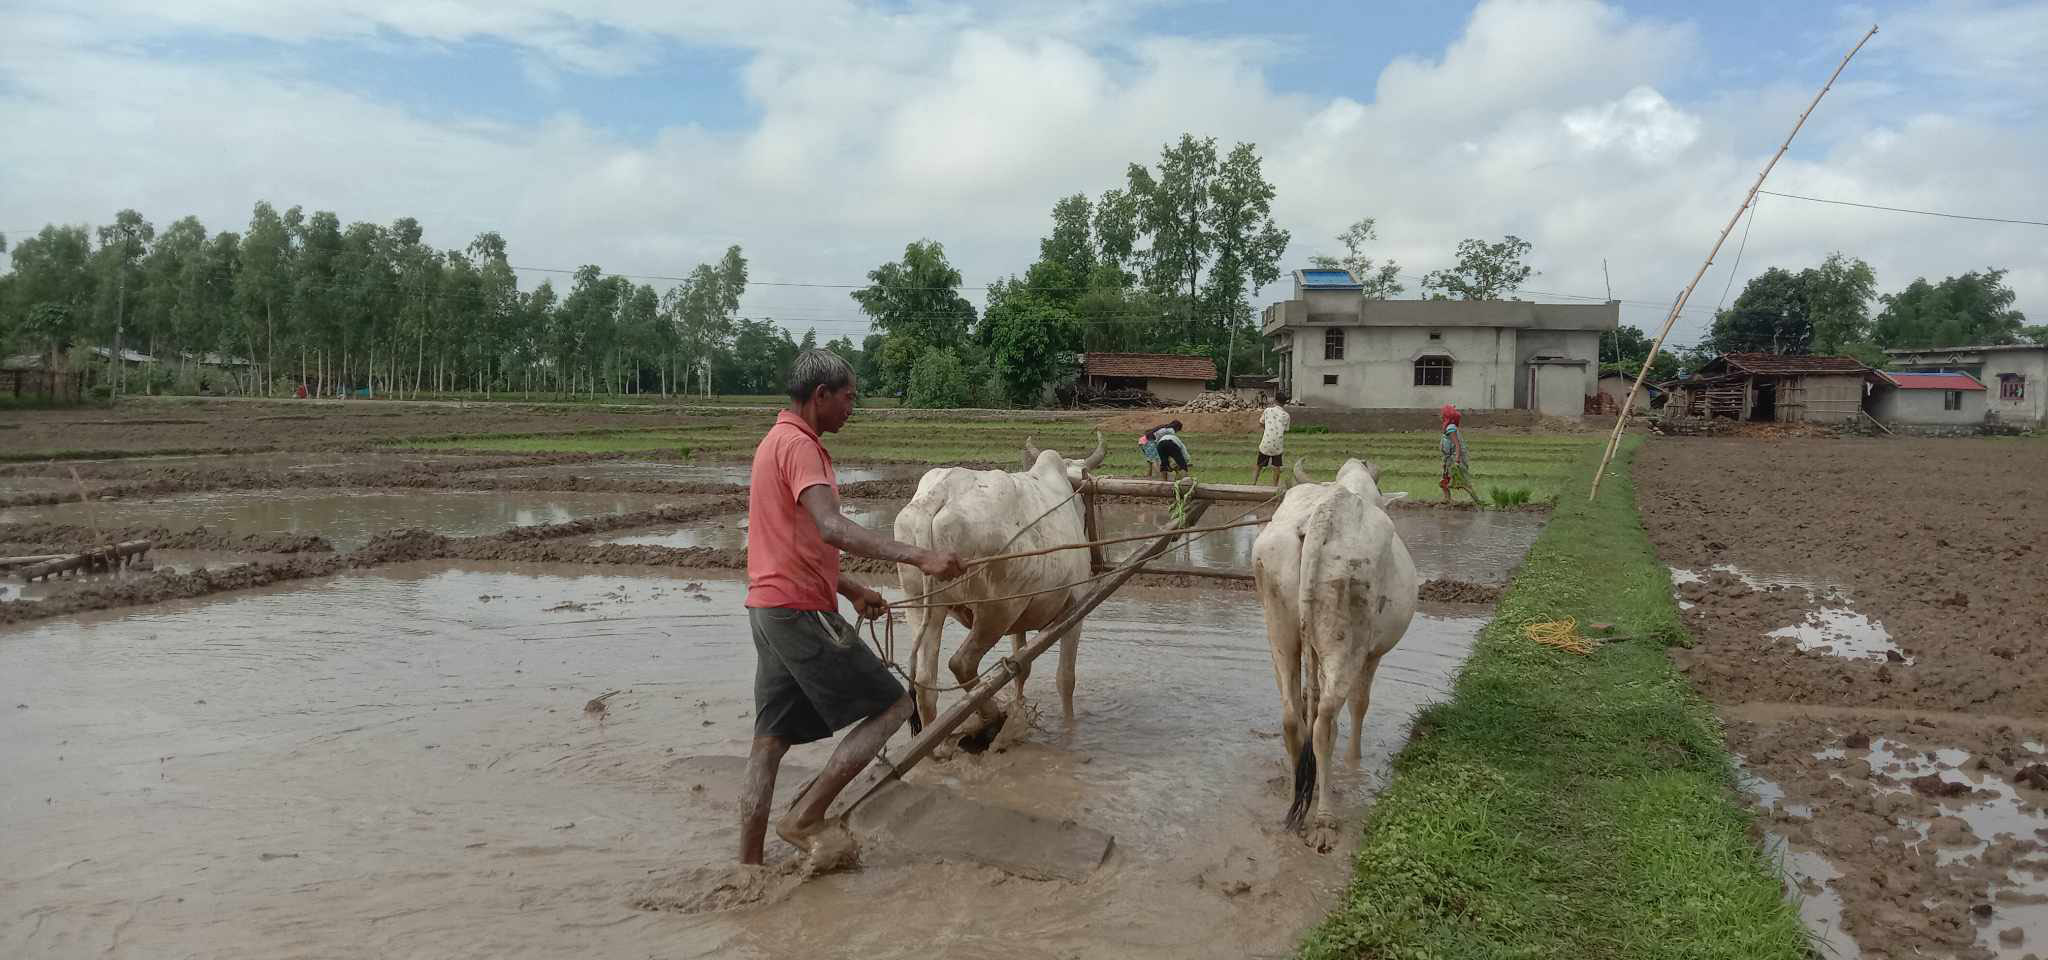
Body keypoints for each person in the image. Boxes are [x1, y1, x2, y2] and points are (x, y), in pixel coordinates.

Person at [738, 349, 967, 867]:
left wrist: (849, 588)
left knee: (769, 742)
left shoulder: (772, 442)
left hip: (769, 609)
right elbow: (831, 527)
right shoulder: (801, 446)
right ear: (820, 396)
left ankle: (748, 866)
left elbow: (788, 542)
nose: (851, 408)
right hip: (799, 612)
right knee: (895, 707)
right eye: (848, 397)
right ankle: (807, 817)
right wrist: (921, 555)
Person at [1439, 404, 1480, 503]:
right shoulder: (1449, 427)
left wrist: (1456, 461)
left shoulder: (1450, 428)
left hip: (1454, 459)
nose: (1440, 416)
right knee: (1444, 482)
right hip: (1449, 460)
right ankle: (1447, 499)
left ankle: (1477, 501)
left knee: (1464, 483)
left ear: (1446, 416)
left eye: (1442, 414)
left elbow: (1457, 445)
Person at [1252, 395, 1290, 484]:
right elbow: (1286, 430)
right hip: (1277, 444)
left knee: (1259, 465)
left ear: (1275, 401)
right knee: (1277, 466)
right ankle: (1274, 486)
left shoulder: (1268, 411)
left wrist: (1267, 429)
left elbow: (1261, 422)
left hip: (1266, 442)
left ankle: (1253, 483)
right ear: (1285, 403)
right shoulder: (1286, 415)